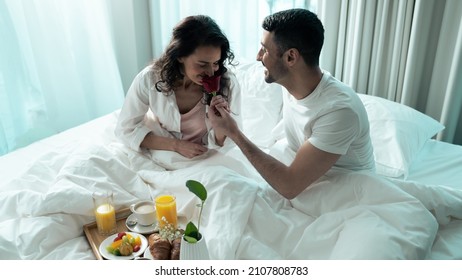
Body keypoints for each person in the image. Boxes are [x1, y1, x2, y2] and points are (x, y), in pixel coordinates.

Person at [208, 9, 375, 199]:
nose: (257, 56)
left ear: (291, 58)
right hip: (305, 176)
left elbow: (289, 186)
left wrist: (234, 133)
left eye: (265, 49)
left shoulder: (339, 111)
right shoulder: (293, 82)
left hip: (343, 191)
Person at [115, 15, 240, 159]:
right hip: (164, 152)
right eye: (202, 64)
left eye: (215, 63)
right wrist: (176, 145)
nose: (211, 72)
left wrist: (220, 126)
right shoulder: (150, 79)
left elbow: (231, 142)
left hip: (209, 157)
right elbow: (125, 129)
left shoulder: (227, 83)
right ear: (180, 55)